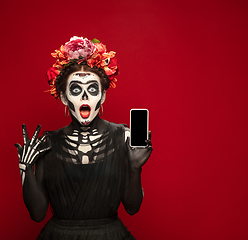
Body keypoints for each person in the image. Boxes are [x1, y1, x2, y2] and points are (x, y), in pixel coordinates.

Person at [14, 36, 153, 240]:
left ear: (102, 96)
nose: (85, 97)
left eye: (93, 89)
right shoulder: (47, 143)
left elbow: (132, 208)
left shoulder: (124, 137)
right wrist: (25, 170)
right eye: (76, 89)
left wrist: (135, 168)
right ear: (64, 97)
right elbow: (37, 214)